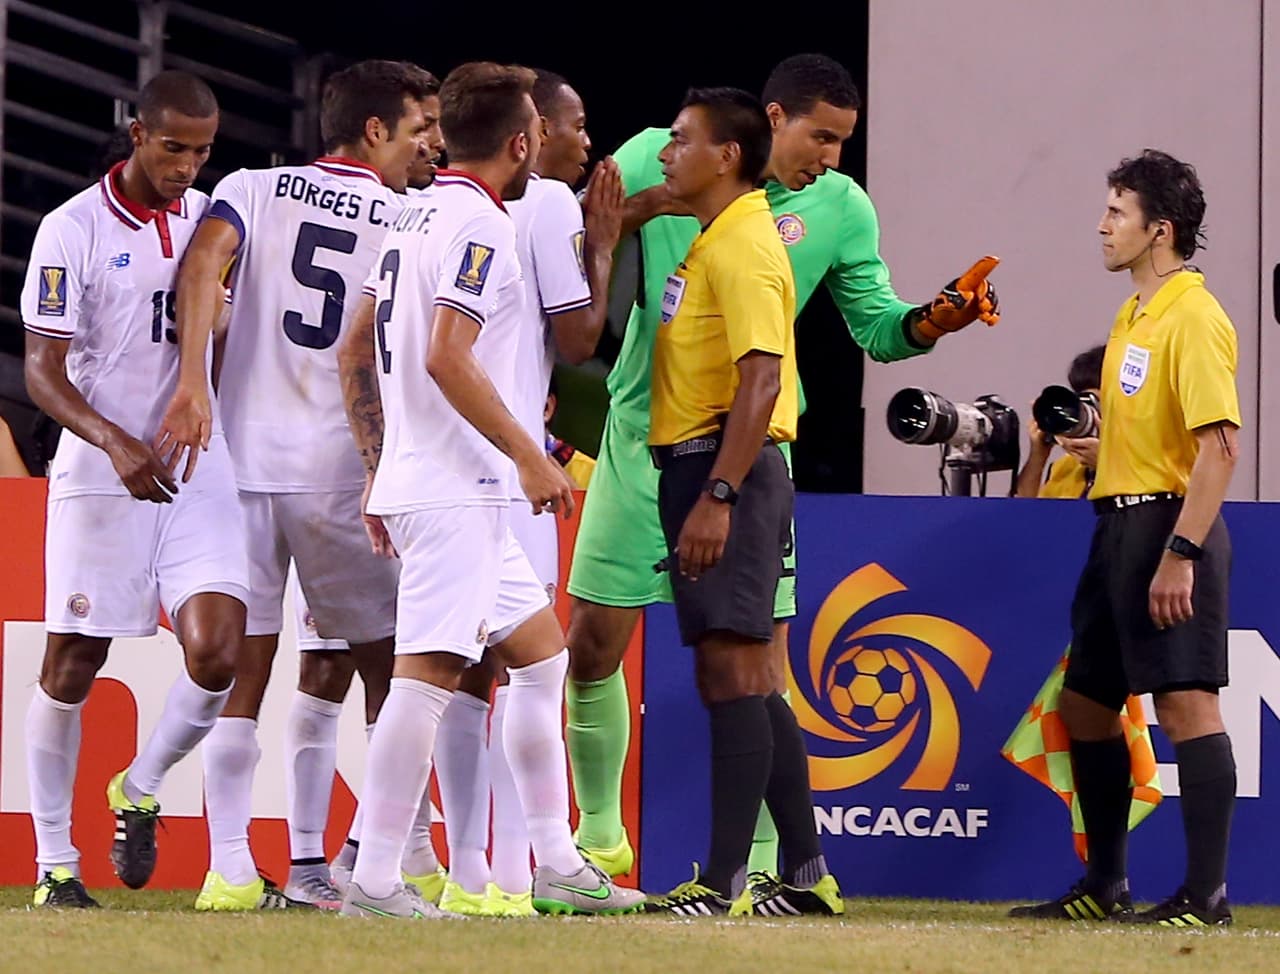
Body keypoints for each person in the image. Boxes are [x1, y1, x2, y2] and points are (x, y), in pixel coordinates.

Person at [564, 52, 998, 885]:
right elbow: (591, 223)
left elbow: (875, 326)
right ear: (766, 124)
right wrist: (657, 198)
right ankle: (597, 840)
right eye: (820, 136)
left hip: (746, 445)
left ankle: (770, 867)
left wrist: (932, 321)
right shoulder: (671, 148)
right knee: (591, 646)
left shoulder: (836, 208)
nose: (830, 157)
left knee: (755, 664)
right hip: (637, 436)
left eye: (842, 142)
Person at [336, 60, 643, 920]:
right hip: (460, 489)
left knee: (542, 662)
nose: (548, 141)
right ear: (521, 142)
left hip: (433, 480)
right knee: (426, 680)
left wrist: (380, 469)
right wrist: (529, 455)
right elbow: (444, 353)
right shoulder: (477, 225)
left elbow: (359, 348)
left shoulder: (411, 213)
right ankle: (373, 880)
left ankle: (553, 860)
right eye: (542, 131)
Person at [155, 59, 437, 911]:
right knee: (396, 670)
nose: (427, 145)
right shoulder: (407, 214)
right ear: (375, 131)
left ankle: (232, 870)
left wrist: (195, 380)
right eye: (416, 128)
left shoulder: (252, 185)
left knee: (243, 669)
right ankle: (382, 867)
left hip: (236, 460)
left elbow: (201, 266)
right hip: (336, 469)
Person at [20, 71, 250, 909]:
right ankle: (55, 866)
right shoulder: (69, 230)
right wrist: (115, 442)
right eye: (175, 147)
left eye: (203, 151)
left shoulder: (209, 221)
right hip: (102, 472)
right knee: (74, 662)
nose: (189, 166)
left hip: (195, 467)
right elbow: (42, 371)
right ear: (137, 134)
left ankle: (141, 786)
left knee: (221, 649)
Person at [1011, 150, 1239, 926]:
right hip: (1115, 523)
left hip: (1169, 527)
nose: (1102, 225)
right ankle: (1105, 884)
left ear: (1158, 230)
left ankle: (1205, 896)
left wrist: (1182, 553)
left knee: (1186, 710)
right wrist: (1097, 452)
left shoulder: (1195, 316)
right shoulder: (1130, 315)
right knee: (1085, 707)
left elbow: (1218, 449)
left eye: (1117, 211)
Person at [424, 68, 624, 918]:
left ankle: (473, 869)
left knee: (470, 674)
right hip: (505, 471)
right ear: (532, 132)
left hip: (435, 462)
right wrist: (605, 241)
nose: (583, 142)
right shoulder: (541, 205)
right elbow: (579, 338)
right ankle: (517, 872)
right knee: (508, 669)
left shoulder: (432, 203)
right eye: (573, 125)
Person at [634, 87, 837, 917]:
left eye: (680, 140)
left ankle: (721, 885)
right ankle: (803, 875)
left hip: (732, 471)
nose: (666, 153)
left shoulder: (746, 243)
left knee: (733, 667)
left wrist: (719, 491)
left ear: (725, 156)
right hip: (705, 466)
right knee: (745, 671)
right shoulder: (713, 237)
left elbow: (763, 376)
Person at [1015, 345, 1105, 499]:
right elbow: (1024, 514)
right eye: (1087, 405)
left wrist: (1107, 465)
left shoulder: (1149, 464)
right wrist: (1038, 455)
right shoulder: (1064, 468)